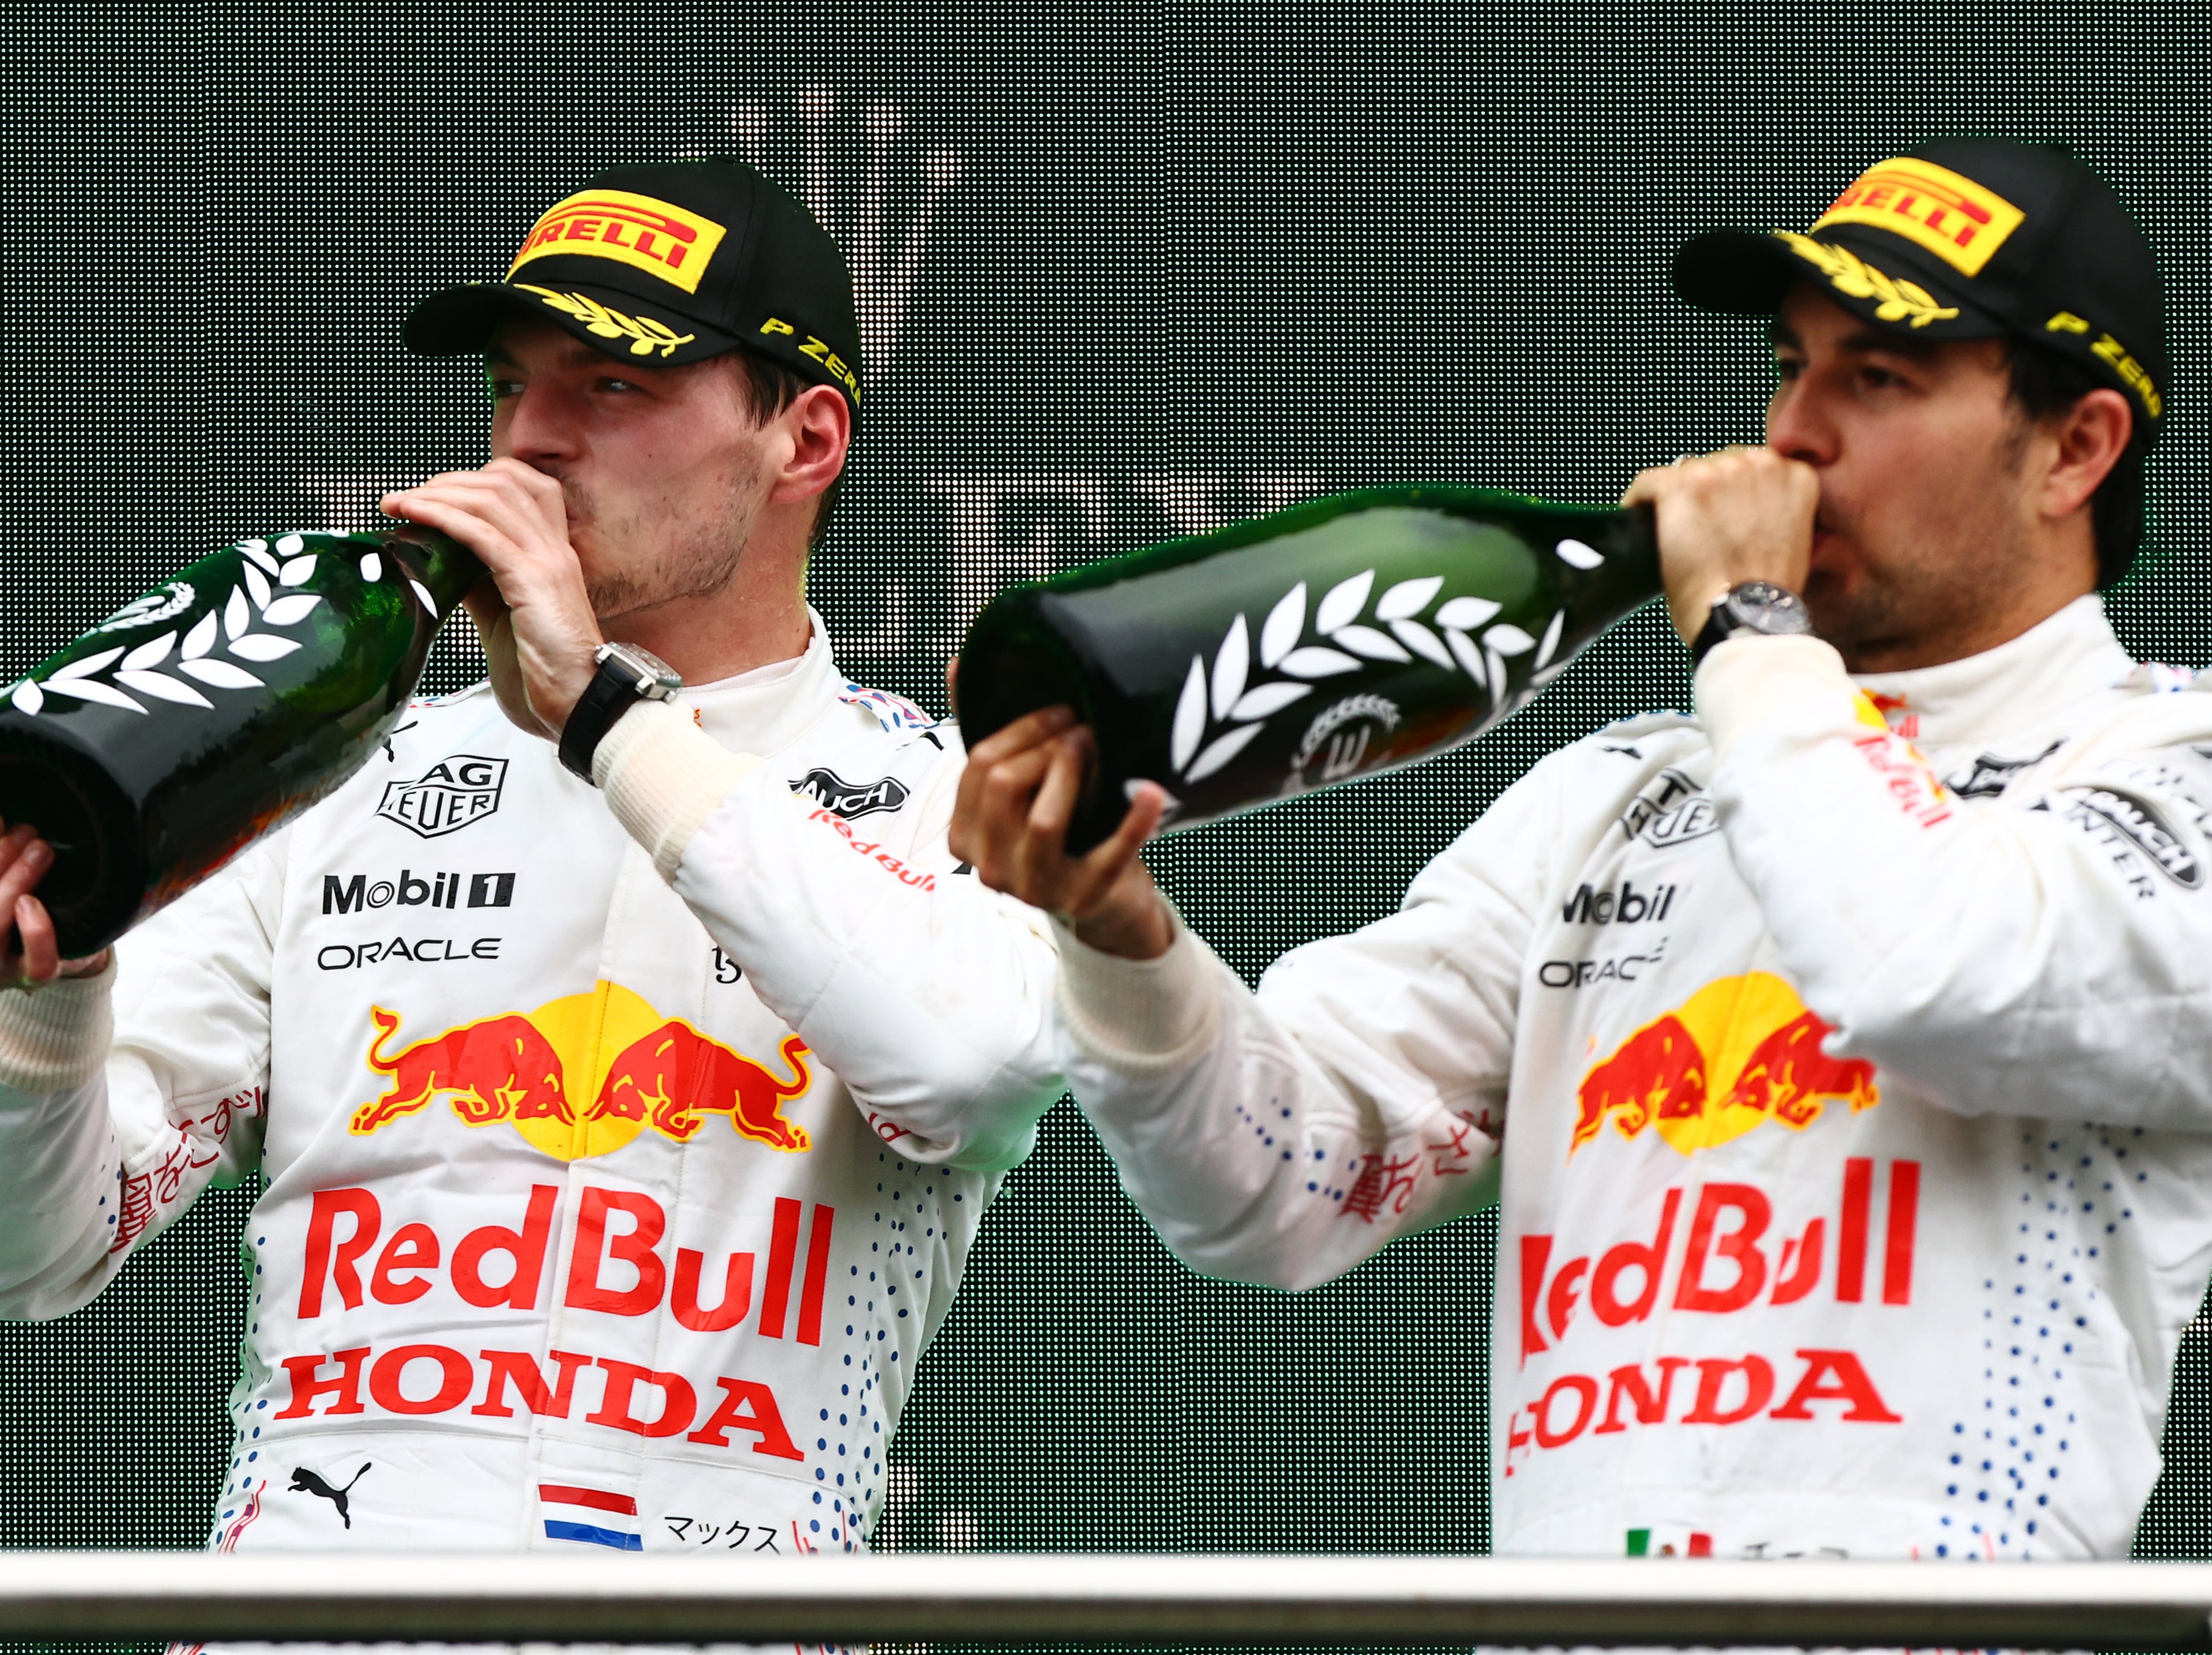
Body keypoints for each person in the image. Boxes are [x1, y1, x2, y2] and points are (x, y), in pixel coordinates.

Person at [954, 137, 2212, 1560]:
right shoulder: (1615, 797)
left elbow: (1921, 969)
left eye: (1877, 377)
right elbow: (1275, 1191)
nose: (1792, 434)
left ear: (2077, 448)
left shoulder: (2169, 771)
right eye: (1788, 365)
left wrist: (1748, 628)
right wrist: (1118, 940)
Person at [0, 159, 1066, 1556]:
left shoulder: (950, 793)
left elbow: (973, 1070)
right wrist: (51, 981)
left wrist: (603, 719)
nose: (532, 440)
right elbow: (40, 1250)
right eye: (512, 384)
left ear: (803, 441)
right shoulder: (340, 779)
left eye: (612, 386)